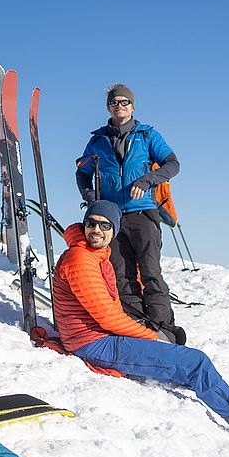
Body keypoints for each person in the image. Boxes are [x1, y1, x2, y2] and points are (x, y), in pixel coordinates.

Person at [52, 200, 229, 445]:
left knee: (183, 361)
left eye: (105, 225)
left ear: (114, 231)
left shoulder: (94, 255)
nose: (97, 230)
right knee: (194, 363)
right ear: (84, 225)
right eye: (92, 223)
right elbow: (106, 316)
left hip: (97, 337)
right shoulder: (81, 259)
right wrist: (149, 336)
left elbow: (108, 311)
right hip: (93, 343)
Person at [76, 84, 183, 341]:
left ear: (132, 106)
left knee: (150, 272)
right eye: (114, 102)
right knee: (121, 275)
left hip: (143, 213)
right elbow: (82, 173)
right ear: (108, 107)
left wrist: (147, 180)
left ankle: (163, 328)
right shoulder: (97, 141)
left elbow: (173, 164)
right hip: (111, 219)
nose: (119, 106)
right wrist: (92, 200)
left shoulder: (147, 135)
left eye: (124, 102)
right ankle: (136, 324)